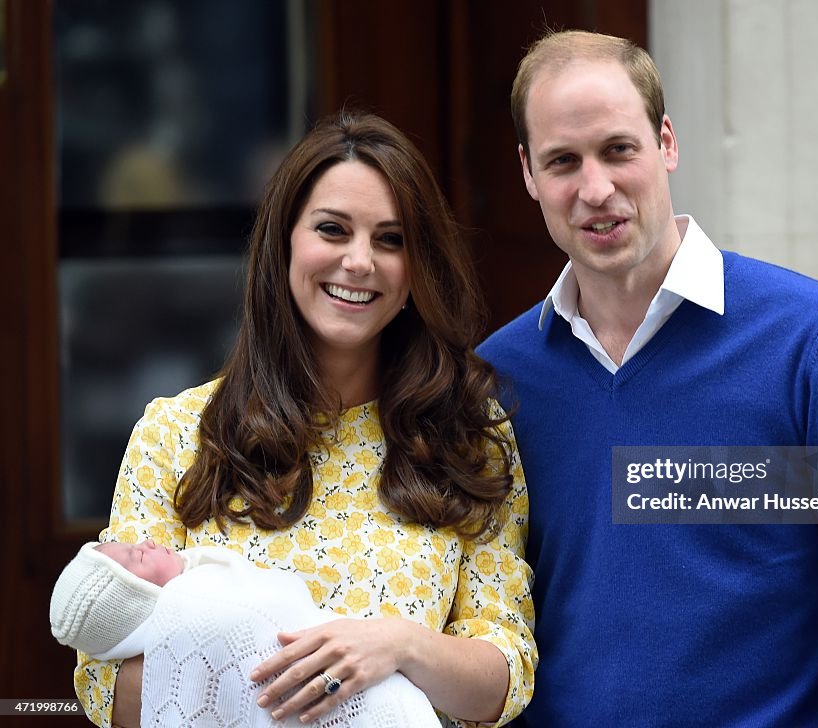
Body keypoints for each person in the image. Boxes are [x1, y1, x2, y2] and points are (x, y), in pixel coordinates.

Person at [478, 30, 818, 726]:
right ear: (527, 173)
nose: (596, 188)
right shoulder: (497, 380)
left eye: (618, 150)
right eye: (562, 161)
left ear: (666, 141)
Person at [72, 110, 536, 728]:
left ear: (417, 268)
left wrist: (399, 645)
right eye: (333, 229)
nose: (359, 261)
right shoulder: (178, 433)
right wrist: (272, 683)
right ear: (285, 240)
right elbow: (104, 688)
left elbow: (505, 676)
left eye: (391, 239)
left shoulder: (468, 438)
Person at [52, 540, 440, 727]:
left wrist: (400, 643)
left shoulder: (208, 585)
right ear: (131, 599)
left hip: (395, 695)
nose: (147, 543)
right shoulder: (198, 608)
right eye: (136, 557)